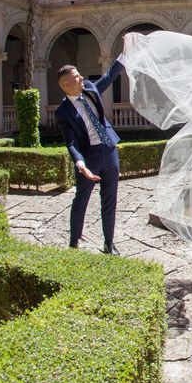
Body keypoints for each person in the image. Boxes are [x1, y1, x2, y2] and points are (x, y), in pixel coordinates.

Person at [55, 54, 125, 255]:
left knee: (109, 199)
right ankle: (74, 243)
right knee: (81, 199)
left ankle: (109, 243)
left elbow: (109, 77)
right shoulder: (63, 112)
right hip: (89, 157)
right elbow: (71, 142)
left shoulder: (91, 89)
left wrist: (125, 54)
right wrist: (80, 163)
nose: (82, 78)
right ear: (67, 84)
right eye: (77, 76)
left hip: (109, 150)